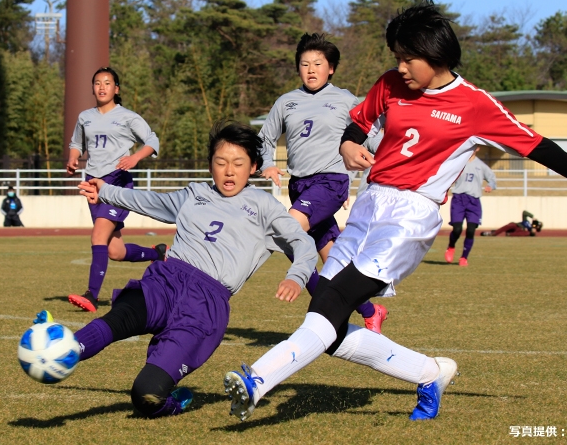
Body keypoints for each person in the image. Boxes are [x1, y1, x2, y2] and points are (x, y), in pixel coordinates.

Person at [223, 0, 567, 423]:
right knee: (328, 316)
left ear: (436, 56)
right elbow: (358, 122)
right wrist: (348, 145)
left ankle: (257, 380)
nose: (402, 68)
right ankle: (429, 373)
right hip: (369, 204)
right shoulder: (390, 84)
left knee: (336, 298)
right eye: (398, 58)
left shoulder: (475, 105)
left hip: (410, 216)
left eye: (409, 58)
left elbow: (535, 144)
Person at [34, 121, 317, 418]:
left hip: (205, 308)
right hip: (166, 282)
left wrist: (296, 277)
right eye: (221, 162)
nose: (229, 171)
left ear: (254, 167)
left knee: (146, 395)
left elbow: (302, 243)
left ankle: (175, 401)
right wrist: (105, 191)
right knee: (121, 316)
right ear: (211, 165)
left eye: (238, 163)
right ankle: (67, 349)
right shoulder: (195, 194)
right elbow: (150, 201)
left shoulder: (265, 207)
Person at [259, 33, 387, 333]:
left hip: (330, 182)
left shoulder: (345, 100)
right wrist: (266, 164)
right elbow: (264, 137)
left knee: (286, 232)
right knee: (333, 260)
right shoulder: (286, 102)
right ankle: (370, 310)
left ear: (331, 68)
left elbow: (373, 137)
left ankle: (326, 310)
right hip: (300, 186)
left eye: (318, 63)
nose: (311, 69)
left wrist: (379, 167)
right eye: (304, 64)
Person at [66, 67, 166, 313]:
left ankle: (92, 294)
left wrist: (135, 158)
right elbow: (76, 143)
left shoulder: (128, 117)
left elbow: (153, 141)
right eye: (97, 83)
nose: (102, 87)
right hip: (92, 184)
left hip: (117, 183)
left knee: (98, 237)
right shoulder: (84, 116)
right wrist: (73, 158)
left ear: (116, 89)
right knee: (115, 251)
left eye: (107, 83)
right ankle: (159, 253)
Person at [445, 147, 497, 266]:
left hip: (473, 201)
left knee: (470, 230)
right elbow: (447, 176)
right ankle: (451, 246)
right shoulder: (459, 163)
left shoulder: (481, 165)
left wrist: (490, 186)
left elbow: (492, 178)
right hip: (459, 199)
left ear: (477, 148)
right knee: (457, 229)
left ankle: (464, 257)